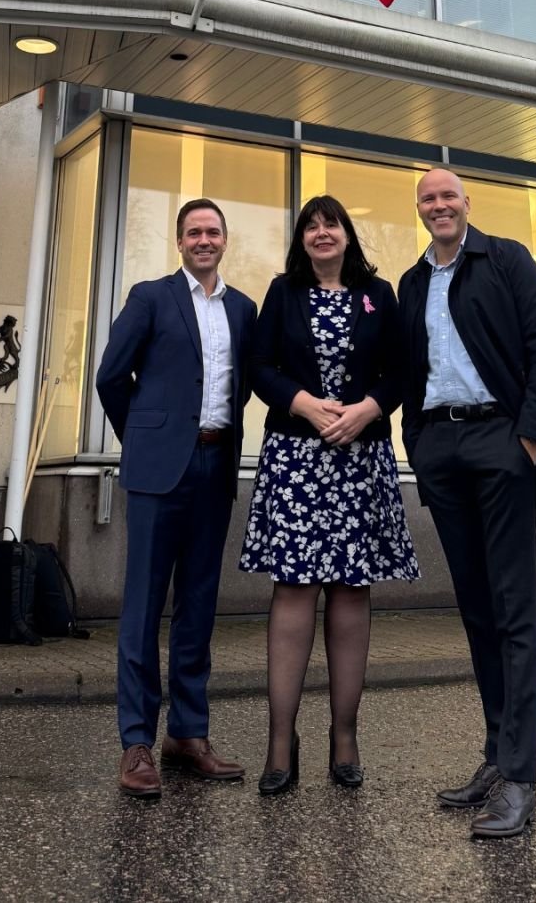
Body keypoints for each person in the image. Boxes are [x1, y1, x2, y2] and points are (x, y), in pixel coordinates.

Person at [399, 168, 536, 840]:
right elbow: (409, 372)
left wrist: (526, 442)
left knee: (513, 612)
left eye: (448, 196)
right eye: (428, 199)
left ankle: (521, 779)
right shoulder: (412, 283)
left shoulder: (505, 259)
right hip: (442, 451)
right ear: (420, 210)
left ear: (465, 205)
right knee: (477, 611)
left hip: (501, 443)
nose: (439, 206)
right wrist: (417, 444)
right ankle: (494, 757)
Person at [240, 195, 418, 795]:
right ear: (302, 238)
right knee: (293, 591)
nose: (321, 233)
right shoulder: (282, 292)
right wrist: (303, 404)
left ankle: (345, 736)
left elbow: (402, 370)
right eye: (311, 226)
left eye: (331, 224)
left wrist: (368, 409)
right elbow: (258, 366)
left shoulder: (379, 293)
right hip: (296, 459)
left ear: (347, 235)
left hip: (360, 460)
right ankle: (279, 743)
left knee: (349, 591)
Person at [95, 198, 258, 799]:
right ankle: (137, 742)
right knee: (142, 607)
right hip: (158, 470)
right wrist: (145, 434)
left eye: (213, 232)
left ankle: (188, 735)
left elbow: (238, 388)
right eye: (194, 232)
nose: (204, 240)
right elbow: (112, 376)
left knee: (198, 604)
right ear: (179, 241)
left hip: (216, 467)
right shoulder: (150, 297)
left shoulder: (243, 309)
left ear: (225, 240)